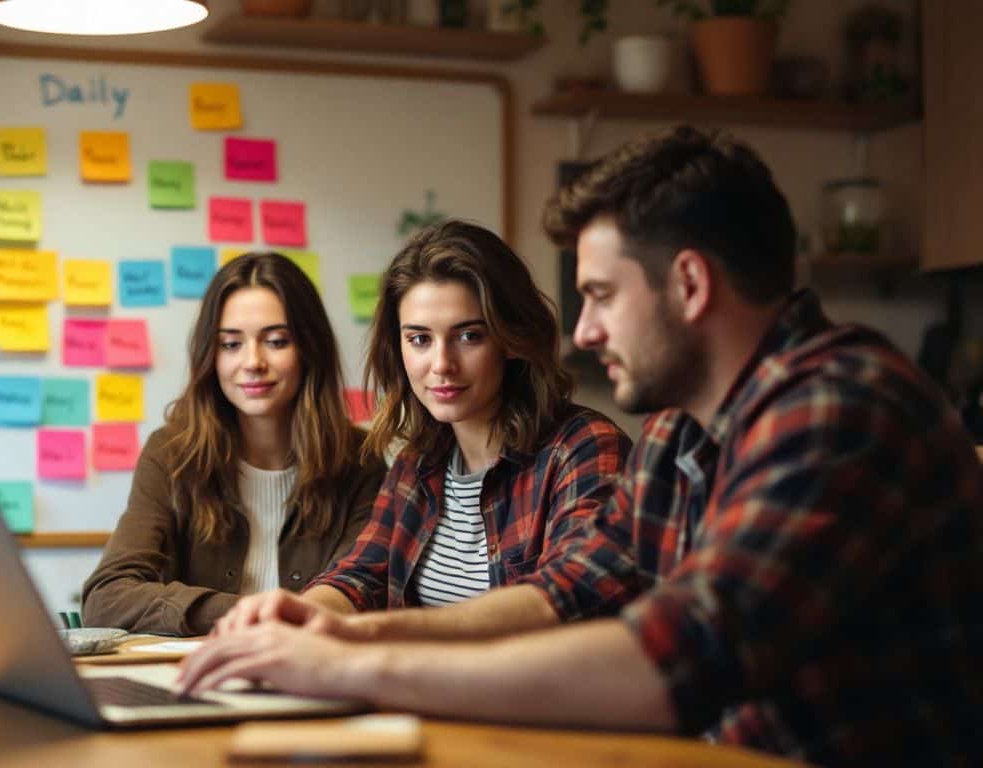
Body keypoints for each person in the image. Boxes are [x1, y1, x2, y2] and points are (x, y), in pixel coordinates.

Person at [178, 127, 983, 766]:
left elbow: (672, 659)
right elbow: (572, 593)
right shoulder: (679, 432)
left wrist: (349, 669)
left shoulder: (837, 407)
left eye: (599, 295)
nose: (588, 331)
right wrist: (346, 632)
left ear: (691, 285)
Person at [215, 220, 633, 642]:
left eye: (469, 336)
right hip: (422, 698)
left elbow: (571, 593)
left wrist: (377, 630)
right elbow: (360, 576)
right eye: (419, 339)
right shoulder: (418, 463)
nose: (441, 365)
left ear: (511, 339)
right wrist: (294, 613)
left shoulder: (584, 447)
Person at [80, 252, 386, 635]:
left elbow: (362, 595)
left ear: (309, 350)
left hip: (315, 678)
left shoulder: (360, 463)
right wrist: (250, 612)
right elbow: (106, 598)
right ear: (211, 356)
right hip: (199, 681)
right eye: (230, 345)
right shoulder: (172, 454)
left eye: (276, 341)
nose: (252, 361)